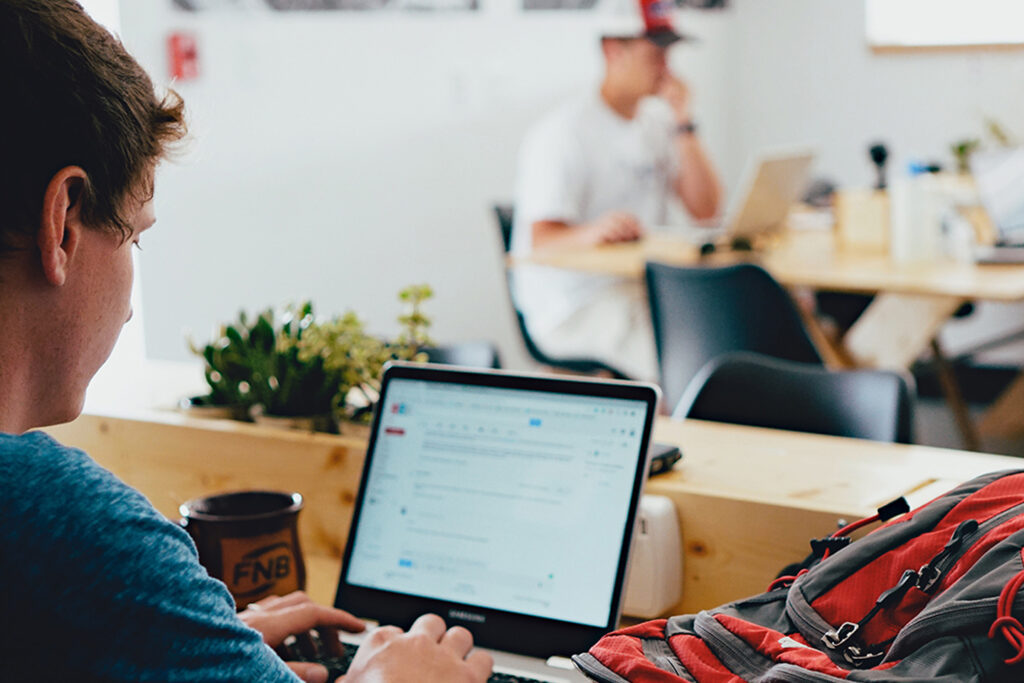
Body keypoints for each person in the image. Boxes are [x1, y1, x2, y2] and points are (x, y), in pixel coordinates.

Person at [0, 2, 492, 681]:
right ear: (64, 223)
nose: (131, 310)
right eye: (134, 236)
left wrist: (189, 635)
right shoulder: (71, 526)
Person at [511, 0, 722, 381]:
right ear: (613, 51)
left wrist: (684, 123)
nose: (666, 67)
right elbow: (540, 243)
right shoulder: (562, 133)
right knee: (683, 357)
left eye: (668, 54)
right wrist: (593, 232)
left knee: (726, 323)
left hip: (640, 288)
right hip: (575, 304)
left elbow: (706, 209)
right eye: (655, 54)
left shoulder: (657, 123)